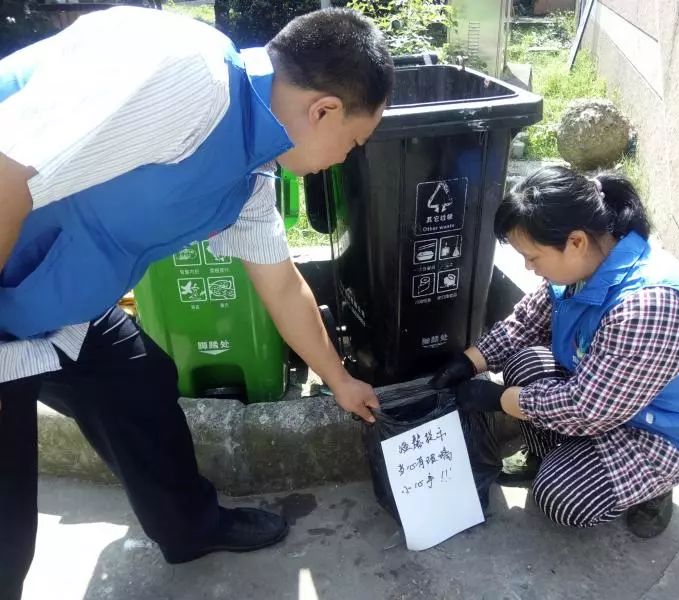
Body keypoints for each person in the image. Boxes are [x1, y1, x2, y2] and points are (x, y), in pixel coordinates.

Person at [0, 6, 393, 597]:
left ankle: (190, 527)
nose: (345, 158)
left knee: (138, 382)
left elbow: (283, 284)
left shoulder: (252, 173)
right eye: (354, 142)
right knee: (7, 535)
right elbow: (7, 170)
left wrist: (337, 379)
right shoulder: (191, 77)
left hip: (55, 302)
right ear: (324, 111)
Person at [430, 166, 679, 538]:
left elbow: (587, 409)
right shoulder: (587, 265)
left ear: (575, 241)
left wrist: (498, 398)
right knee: (525, 361)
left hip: (664, 434)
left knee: (561, 496)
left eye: (533, 256)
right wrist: (470, 361)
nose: (527, 266)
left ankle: (652, 489)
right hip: (611, 402)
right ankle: (553, 456)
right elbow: (525, 323)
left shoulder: (649, 307)